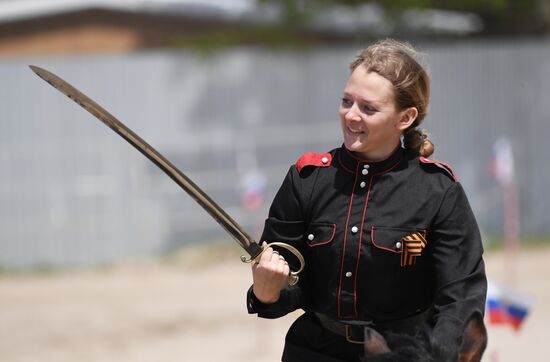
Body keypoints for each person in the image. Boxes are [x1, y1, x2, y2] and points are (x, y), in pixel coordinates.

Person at [246, 39, 487, 362]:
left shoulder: (438, 192)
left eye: (368, 108)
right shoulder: (307, 179)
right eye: (347, 101)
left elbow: (460, 300)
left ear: (405, 118)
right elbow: (286, 286)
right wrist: (266, 289)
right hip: (313, 351)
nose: (351, 115)